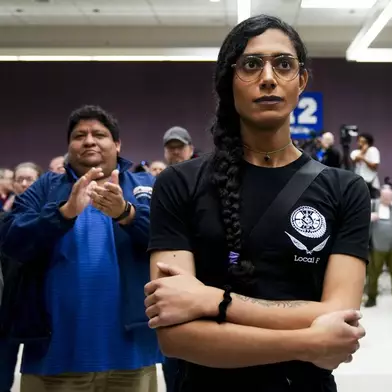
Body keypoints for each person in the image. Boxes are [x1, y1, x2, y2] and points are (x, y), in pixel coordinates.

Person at [143, 15, 370, 391]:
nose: (268, 77)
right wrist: (308, 341)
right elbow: (176, 337)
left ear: (302, 81)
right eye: (251, 64)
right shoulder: (179, 183)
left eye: (283, 64)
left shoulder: (345, 189)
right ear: (228, 80)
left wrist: (212, 301)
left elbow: (338, 314)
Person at [0, 105, 161, 392]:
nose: (89, 140)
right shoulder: (44, 188)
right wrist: (62, 214)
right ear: (69, 146)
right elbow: (12, 241)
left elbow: (172, 240)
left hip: (131, 359)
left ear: (118, 144)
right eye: (79, 135)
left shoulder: (145, 186)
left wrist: (127, 214)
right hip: (53, 360)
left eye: (99, 134)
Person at [0, 162, 43, 392]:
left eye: (30, 179)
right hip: (7, 307)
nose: (24, 183)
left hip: (38, 308)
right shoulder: (3, 218)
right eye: (19, 179)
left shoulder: (51, 215)